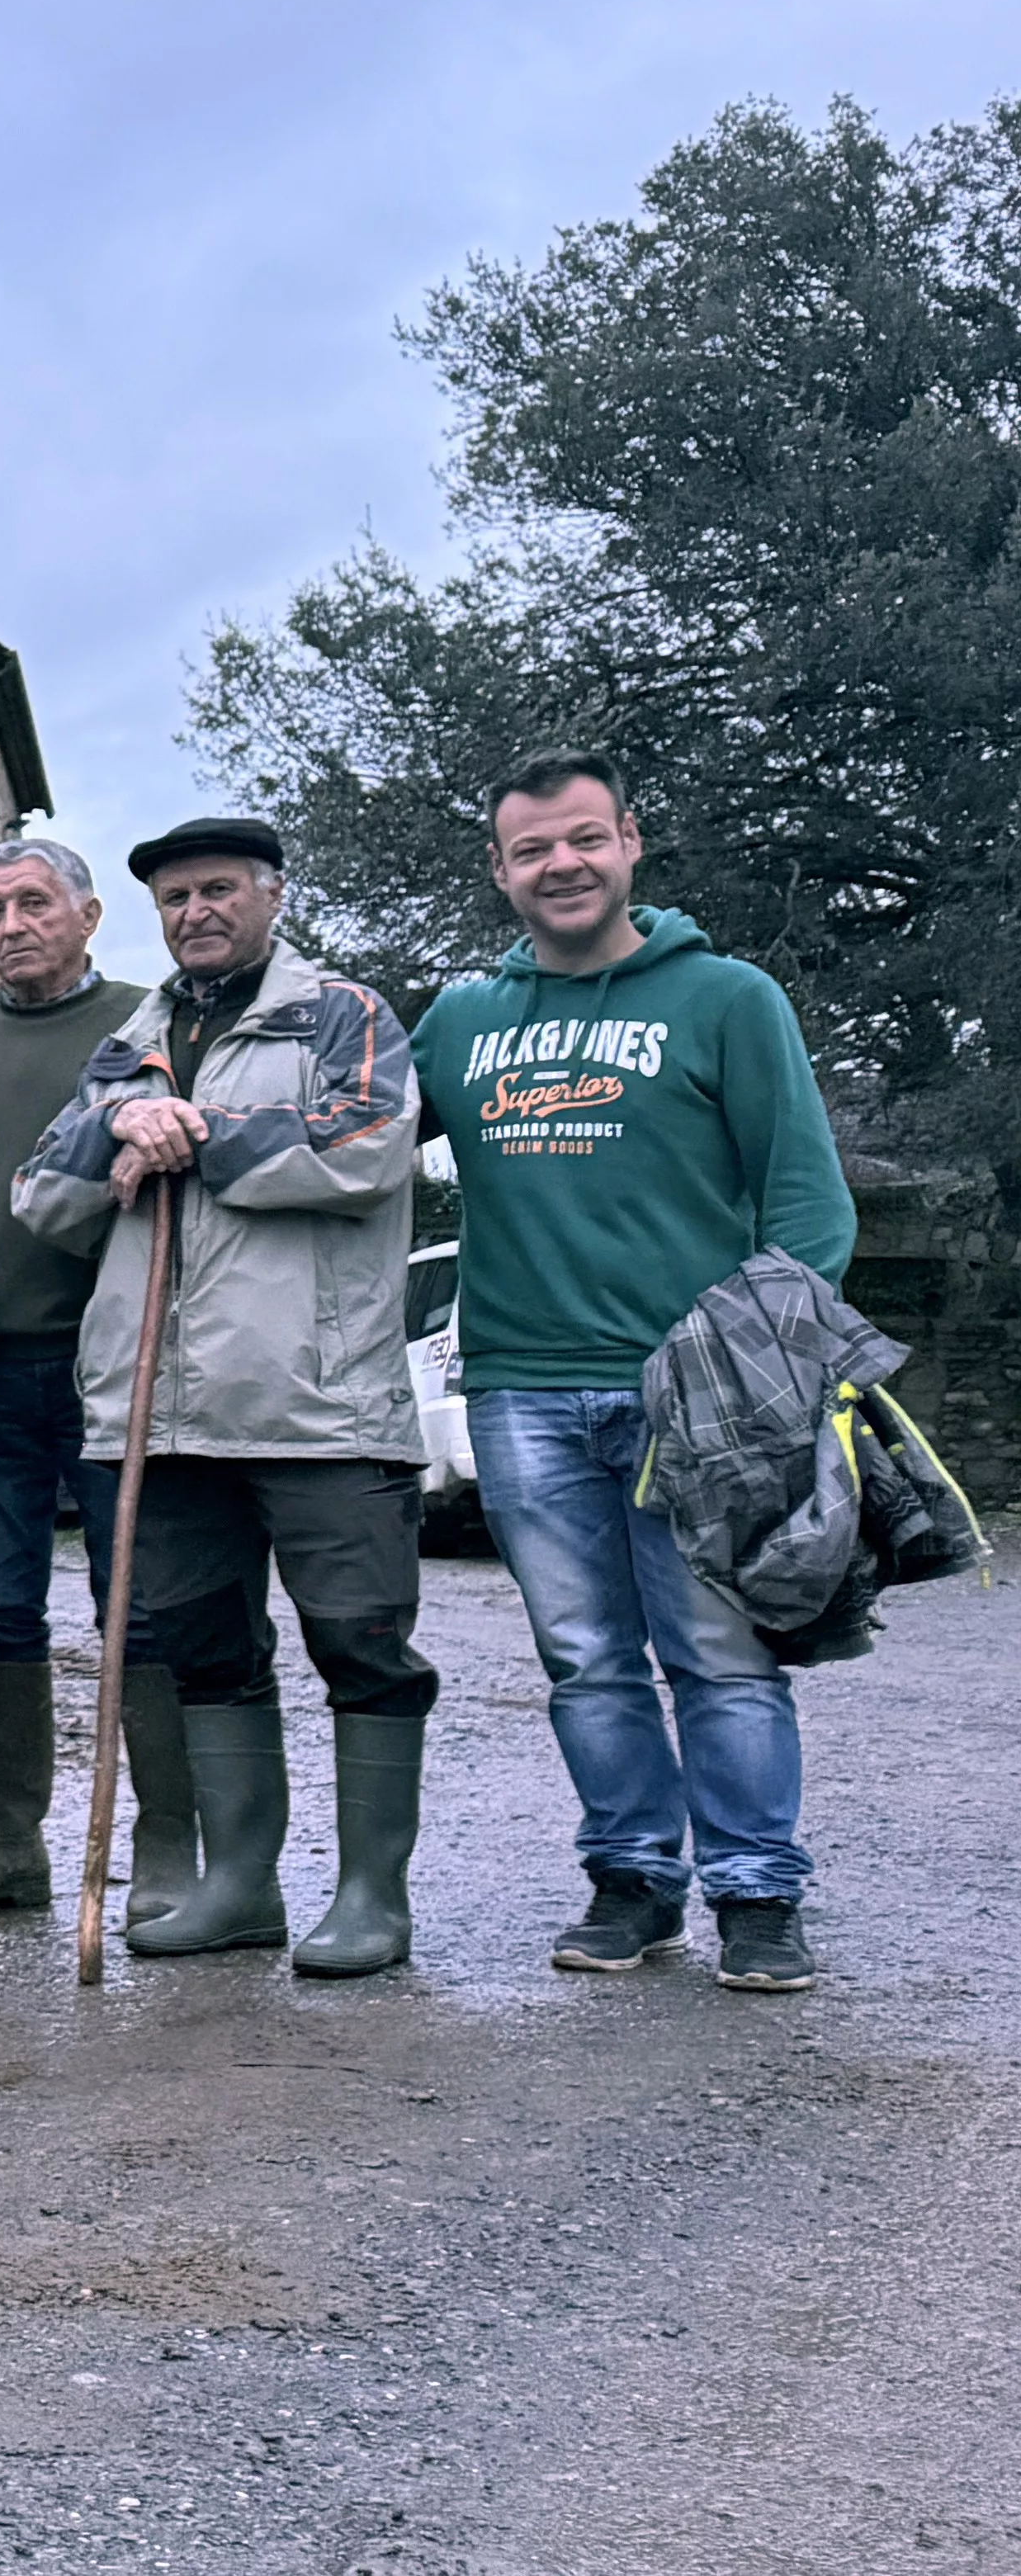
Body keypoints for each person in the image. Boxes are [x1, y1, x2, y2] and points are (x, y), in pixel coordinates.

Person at [413, 749, 854, 1992]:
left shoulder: (727, 997)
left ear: (630, 843)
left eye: (584, 839)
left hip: (695, 1391)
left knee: (721, 1653)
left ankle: (759, 1891)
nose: (563, 864)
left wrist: (758, 1364)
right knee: (585, 1658)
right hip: (518, 1391)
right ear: (501, 870)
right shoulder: (461, 1021)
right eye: (535, 849)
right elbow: (343, 1132)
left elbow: (809, 1207)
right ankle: (634, 1880)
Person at [14, 816, 433, 1978]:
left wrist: (187, 1129)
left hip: (322, 1403)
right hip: (164, 1412)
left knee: (361, 1641)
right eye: (176, 897)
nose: (196, 911)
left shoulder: (343, 1011)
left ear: (271, 894)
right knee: (204, 1648)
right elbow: (39, 1196)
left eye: (218, 890)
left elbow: (366, 1152)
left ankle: (369, 1897)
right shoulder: (133, 1038)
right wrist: (115, 1122)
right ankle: (240, 1886)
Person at [0, 839, 178, 1924]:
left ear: (89, 913)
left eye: (33, 904)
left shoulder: (151, 1023)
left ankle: (165, 1847)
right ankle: (7, 1842)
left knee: (139, 1606)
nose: (11, 924)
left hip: (123, 1363)